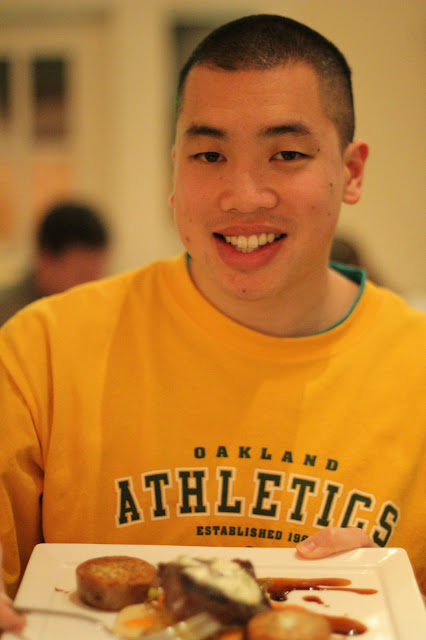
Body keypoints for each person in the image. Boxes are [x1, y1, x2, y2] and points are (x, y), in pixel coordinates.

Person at [0, 14, 424, 633]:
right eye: (209, 154)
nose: (243, 195)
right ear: (175, 171)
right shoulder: (41, 352)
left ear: (352, 172)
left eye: (287, 154)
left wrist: (393, 598)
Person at [0, 200, 110, 327]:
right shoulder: (7, 316)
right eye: (81, 274)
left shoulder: (97, 317)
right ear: (45, 259)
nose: (92, 285)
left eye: (98, 275)